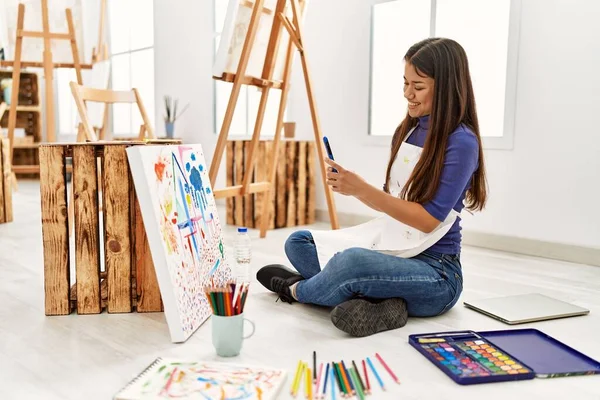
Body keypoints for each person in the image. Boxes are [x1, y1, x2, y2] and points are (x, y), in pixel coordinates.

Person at [256, 37, 487, 337]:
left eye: (418, 86)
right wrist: (353, 188)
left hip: (437, 273)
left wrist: (362, 189)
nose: (408, 94)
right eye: (405, 83)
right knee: (299, 242)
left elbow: (428, 220)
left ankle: (298, 290)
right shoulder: (409, 130)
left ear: (446, 87)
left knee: (351, 262)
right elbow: (392, 205)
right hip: (394, 251)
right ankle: (383, 303)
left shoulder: (462, 141)